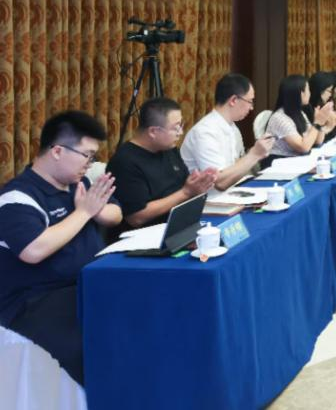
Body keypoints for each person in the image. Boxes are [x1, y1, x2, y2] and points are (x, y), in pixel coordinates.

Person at [0, 111, 122, 385]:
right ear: (57, 151)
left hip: (85, 284)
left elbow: (116, 214)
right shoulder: (17, 197)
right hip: (35, 301)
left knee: (142, 314)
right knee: (100, 342)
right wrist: (84, 212)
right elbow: (33, 250)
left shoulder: (79, 183)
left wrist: (97, 211)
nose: (90, 164)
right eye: (87, 156)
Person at [107, 97, 216, 232]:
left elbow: (184, 186)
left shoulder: (169, 149)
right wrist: (186, 192)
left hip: (180, 225)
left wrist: (199, 184)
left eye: (181, 125)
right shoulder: (124, 162)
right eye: (176, 128)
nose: (180, 133)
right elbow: (136, 217)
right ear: (153, 131)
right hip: (146, 236)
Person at [180, 74, 275, 191]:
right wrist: (255, 154)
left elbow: (236, 166)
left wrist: (256, 154)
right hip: (210, 200)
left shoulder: (232, 128)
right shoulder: (205, 132)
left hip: (231, 194)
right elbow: (220, 183)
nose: (251, 108)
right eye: (250, 101)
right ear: (233, 100)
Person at [265, 75, 336, 163]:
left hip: (296, 160)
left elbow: (318, 141)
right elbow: (303, 147)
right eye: (308, 90)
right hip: (279, 162)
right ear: (301, 93)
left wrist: (321, 121)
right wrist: (317, 122)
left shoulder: (299, 112)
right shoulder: (279, 118)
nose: (310, 93)